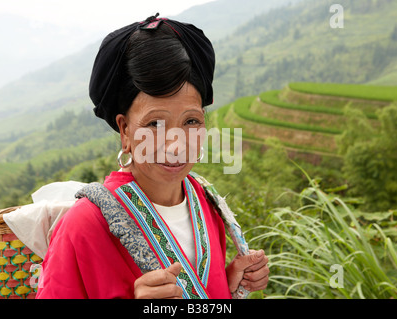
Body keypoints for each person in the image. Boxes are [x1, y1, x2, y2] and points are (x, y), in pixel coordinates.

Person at [36, 14, 269, 299]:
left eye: (191, 122)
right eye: (154, 125)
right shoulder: (85, 225)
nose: (175, 145)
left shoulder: (205, 203)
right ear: (124, 130)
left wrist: (228, 286)